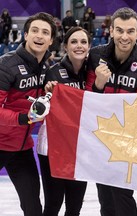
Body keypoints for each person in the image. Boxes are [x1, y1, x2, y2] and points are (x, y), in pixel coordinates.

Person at [86, 7, 137, 216]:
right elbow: (86, 98)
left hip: (127, 144)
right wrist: (98, 84)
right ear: (111, 31)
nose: (124, 37)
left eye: (130, 31)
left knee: (123, 197)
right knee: (105, 199)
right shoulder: (95, 56)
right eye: (120, 30)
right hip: (99, 139)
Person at [0, 12, 56, 216]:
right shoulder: (6, 64)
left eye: (45, 32)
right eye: (34, 30)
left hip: (23, 149)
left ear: (51, 40)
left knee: (33, 208)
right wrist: (23, 118)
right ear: (25, 35)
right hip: (0, 142)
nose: (39, 36)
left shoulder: (45, 69)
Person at [38, 26, 90, 216]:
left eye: (83, 42)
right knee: (53, 204)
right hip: (53, 148)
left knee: (75, 206)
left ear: (89, 47)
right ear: (65, 47)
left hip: (80, 149)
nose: (79, 46)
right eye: (74, 42)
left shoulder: (91, 74)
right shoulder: (53, 73)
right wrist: (48, 95)